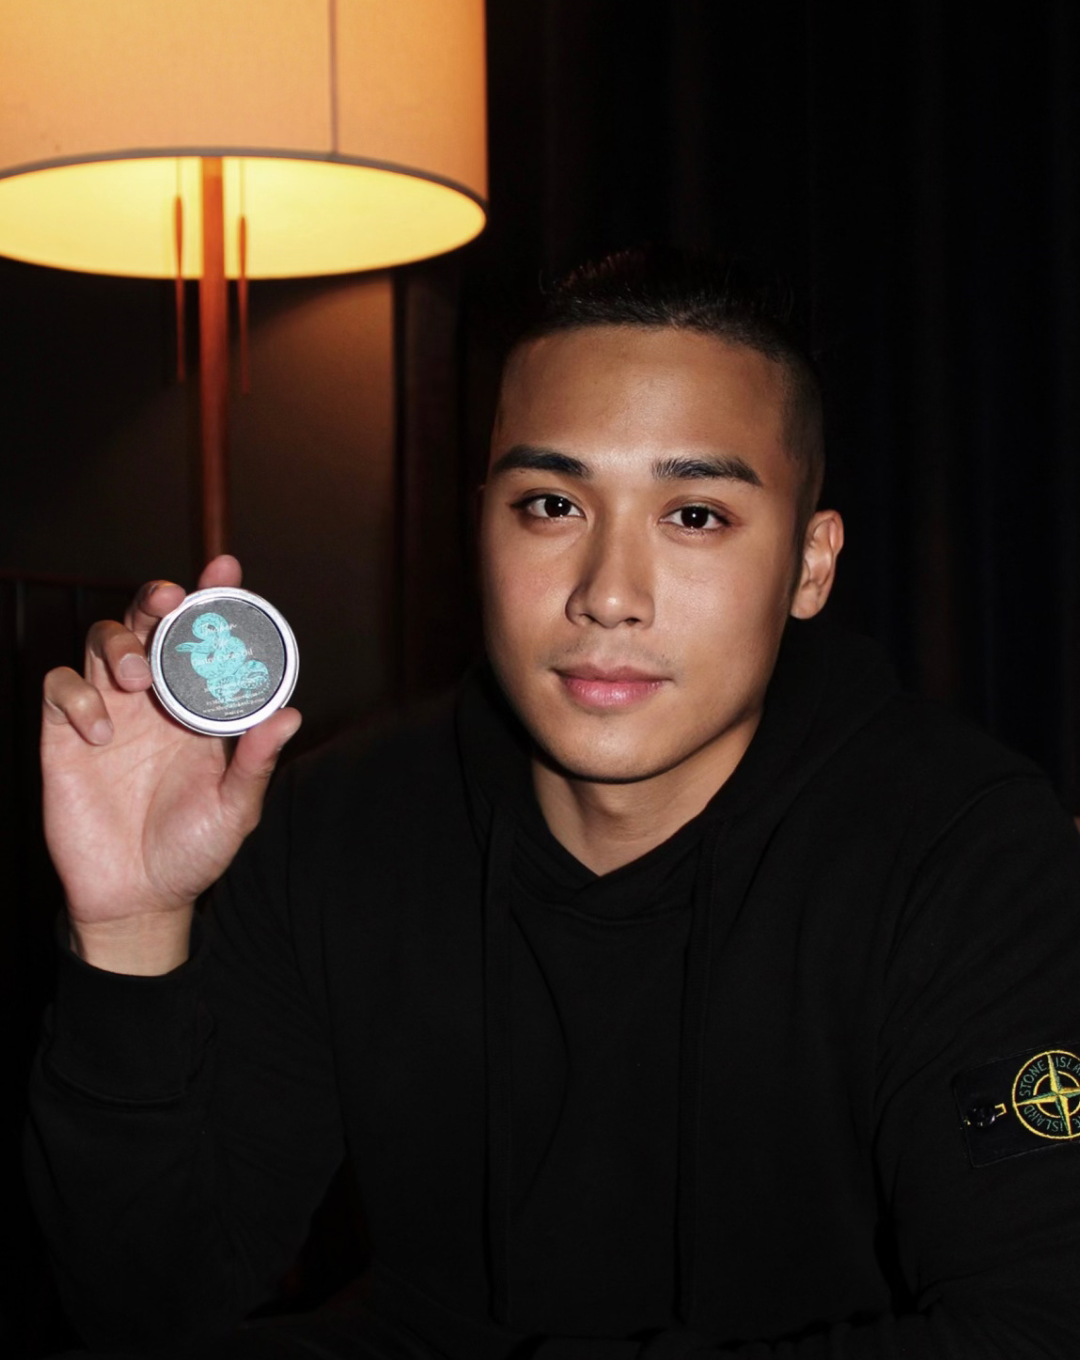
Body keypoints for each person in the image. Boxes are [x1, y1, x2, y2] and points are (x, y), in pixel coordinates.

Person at [28, 249, 1080, 1359]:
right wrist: (132, 929)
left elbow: (1040, 1324)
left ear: (811, 565)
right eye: (550, 502)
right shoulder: (342, 819)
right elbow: (145, 1313)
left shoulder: (968, 853)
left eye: (697, 516)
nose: (608, 594)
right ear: (479, 525)